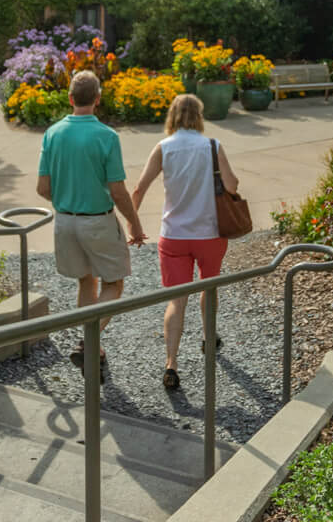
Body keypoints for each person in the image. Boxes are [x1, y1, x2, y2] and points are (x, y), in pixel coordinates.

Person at [36, 69, 147, 382]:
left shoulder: (52, 133)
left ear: (70, 98)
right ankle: (89, 342)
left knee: (86, 281)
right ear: (98, 100)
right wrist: (135, 224)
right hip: (97, 221)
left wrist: (67, 196)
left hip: (64, 222)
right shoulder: (106, 137)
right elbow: (117, 190)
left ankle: (92, 349)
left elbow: (43, 189)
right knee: (114, 283)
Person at [130, 93, 239, 390]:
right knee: (208, 286)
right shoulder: (212, 146)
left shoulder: (163, 148)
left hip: (174, 235)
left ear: (173, 117)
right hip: (209, 234)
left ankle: (171, 364)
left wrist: (133, 225)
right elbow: (232, 185)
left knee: (176, 301)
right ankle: (207, 336)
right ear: (199, 117)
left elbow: (139, 189)